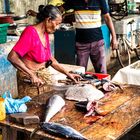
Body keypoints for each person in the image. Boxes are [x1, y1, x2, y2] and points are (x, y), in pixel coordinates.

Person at [8, 5, 81, 98]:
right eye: (57, 23)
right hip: (30, 82)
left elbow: (50, 59)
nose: (57, 27)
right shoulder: (30, 32)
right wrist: (31, 75)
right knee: (33, 109)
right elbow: (12, 57)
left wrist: (68, 73)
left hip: (41, 78)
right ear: (48, 20)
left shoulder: (45, 33)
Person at [58, 0, 118, 74]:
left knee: (102, 73)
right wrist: (53, 14)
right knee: (80, 73)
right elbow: (60, 9)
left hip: (98, 43)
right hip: (81, 44)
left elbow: (107, 17)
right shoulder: (74, 1)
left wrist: (114, 38)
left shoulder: (100, 1)